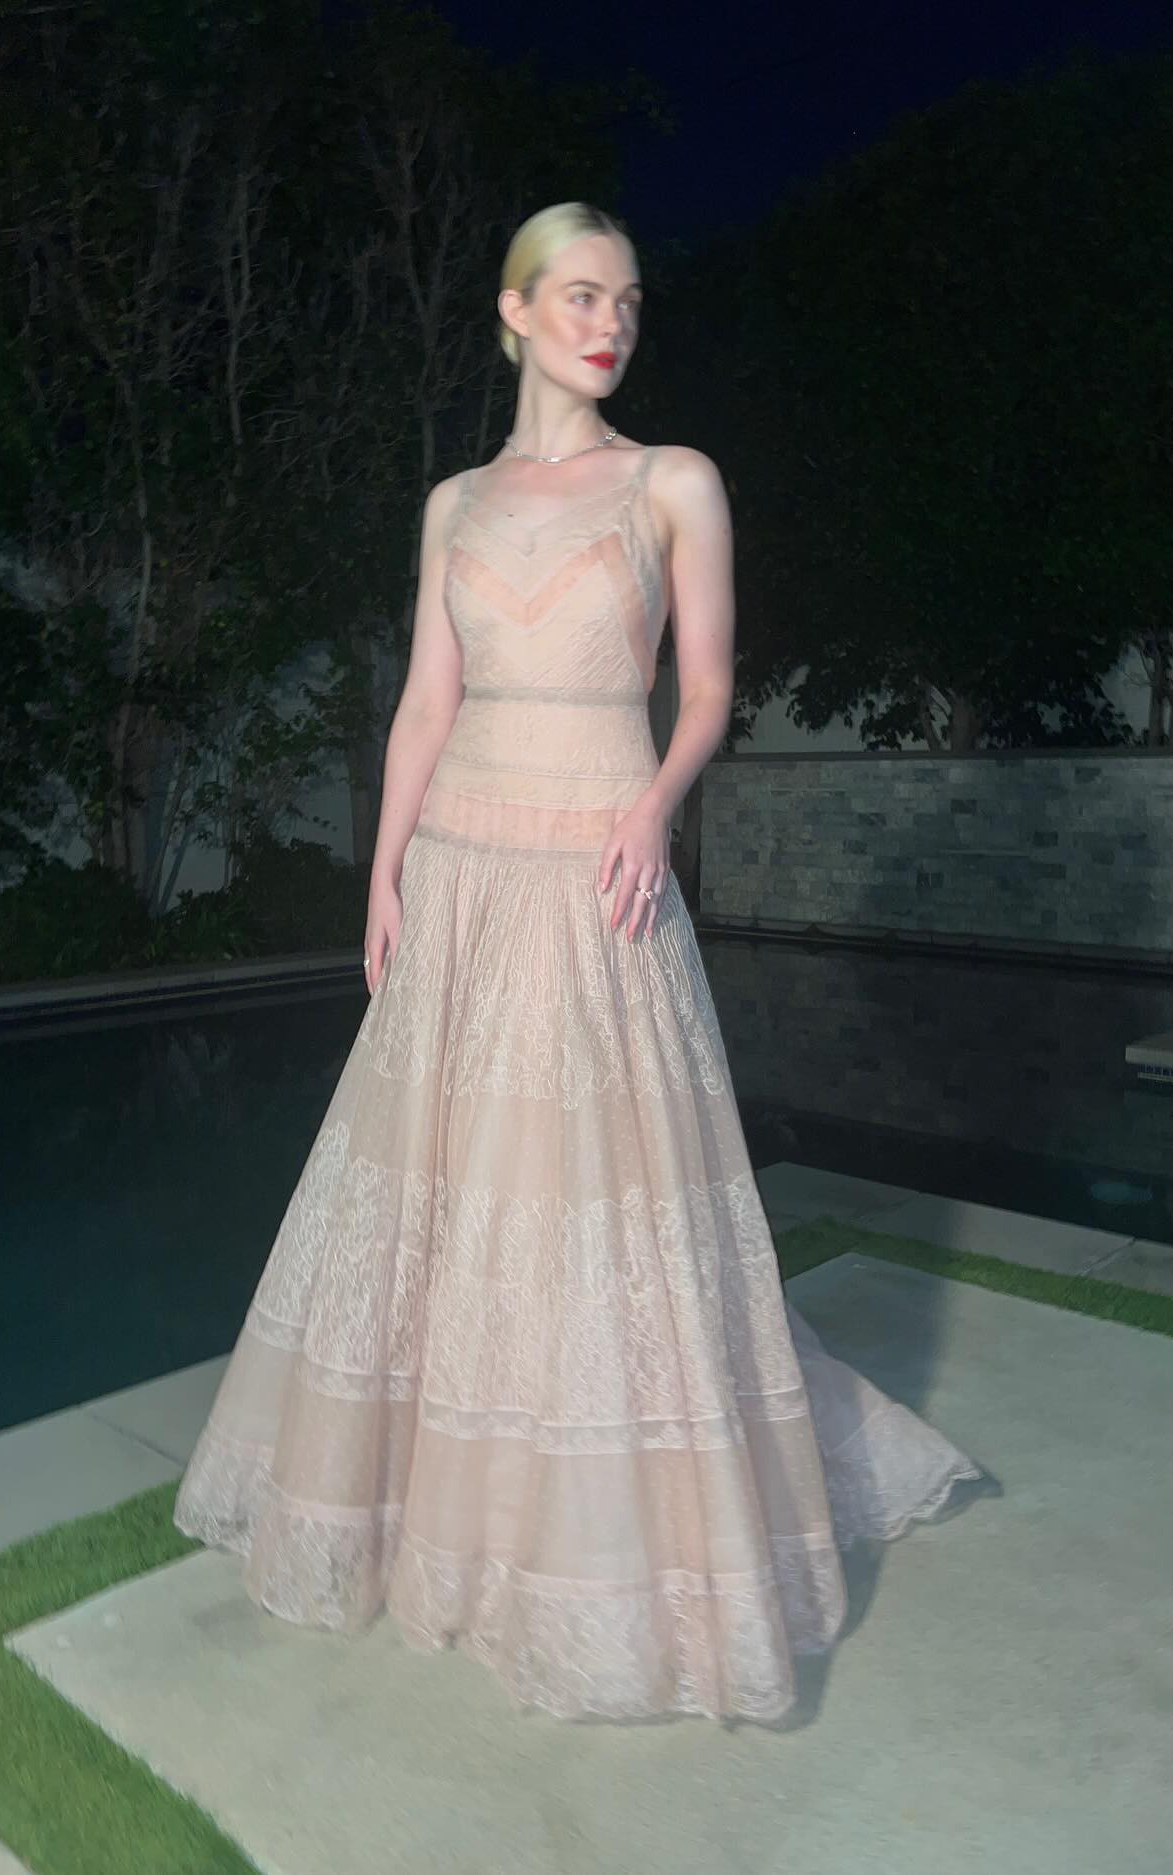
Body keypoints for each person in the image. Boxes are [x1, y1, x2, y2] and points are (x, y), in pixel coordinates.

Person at [174, 200, 981, 1724]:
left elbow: (710, 688)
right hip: (463, 866)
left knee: (593, 1204)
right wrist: (383, 870)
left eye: (628, 300)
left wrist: (654, 810)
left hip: (598, 865)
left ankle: (592, 1544)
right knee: (450, 1194)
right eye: (583, 297)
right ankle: (446, 1524)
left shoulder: (674, 481)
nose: (612, 323)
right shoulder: (452, 503)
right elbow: (426, 700)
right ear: (516, 312)